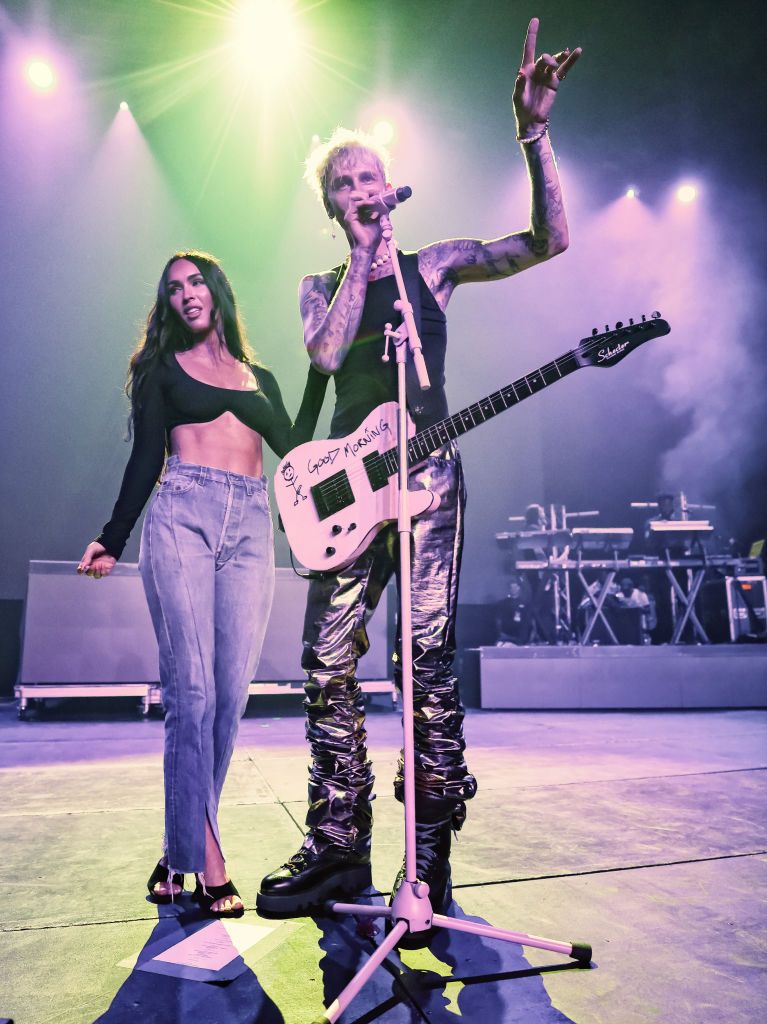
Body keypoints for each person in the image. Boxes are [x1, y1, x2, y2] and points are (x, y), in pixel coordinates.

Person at [257, 17, 581, 924]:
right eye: (343, 181)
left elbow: (545, 241)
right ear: (330, 203)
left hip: (430, 476)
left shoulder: (431, 269)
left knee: (427, 662)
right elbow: (323, 360)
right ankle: (335, 842)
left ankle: (428, 854)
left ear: (389, 188)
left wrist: (533, 133)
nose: (361, 187)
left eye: (370, 176)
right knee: (325, 663)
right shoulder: (322, 287)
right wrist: (361, 257)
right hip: (351, 495)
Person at [78, 251, 310, 917]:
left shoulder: (259, 375)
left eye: (196, 281)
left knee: (230, 697)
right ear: (168, 303)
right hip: (183, 514)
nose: (187, 294)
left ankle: (177, 848)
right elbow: (145, 455)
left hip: (251, 524)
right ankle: (209, 862)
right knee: (193, 693)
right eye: (174, 288)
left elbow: (294, 457)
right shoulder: (161, 369)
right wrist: (113, 535)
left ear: (217, 291)